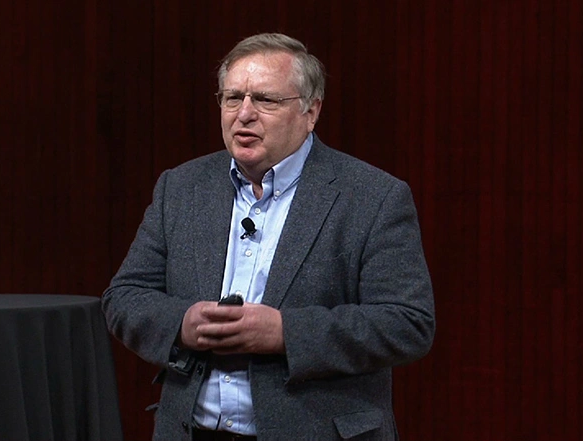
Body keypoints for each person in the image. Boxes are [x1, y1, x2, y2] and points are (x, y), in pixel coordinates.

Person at [102, 32, 435, 441]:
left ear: (311, 111)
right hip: (190, 430)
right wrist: (183, 324)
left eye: (265, 100)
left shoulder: (372, 197)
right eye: (232, 98)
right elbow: (125, 296)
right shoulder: (182, 188)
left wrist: (285, 333)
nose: (244, 114)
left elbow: (407, 323)